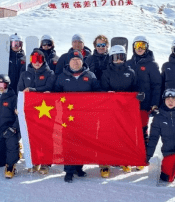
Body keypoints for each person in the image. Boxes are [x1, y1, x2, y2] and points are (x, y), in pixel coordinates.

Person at [55, 50, 100, 183]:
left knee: (82, 142)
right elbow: (55, 95)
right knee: (69, 143)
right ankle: (68, 171)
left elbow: (98, 93)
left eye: (78, 60)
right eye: (73, 60)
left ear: (82, 61)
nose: (75, 62)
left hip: (85, 117)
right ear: (69, 62)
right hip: (67, 116)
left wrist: (109, 95)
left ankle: (78, 167)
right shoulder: (62, 77)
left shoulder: (90, 76)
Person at [99, 44, 142, 177]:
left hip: (126, 109)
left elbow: (135, 88)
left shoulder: (130, 72)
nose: (119, 60)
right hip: (110, 109)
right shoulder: (106, 73)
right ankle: (105, 162)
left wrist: (139, 95)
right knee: (108, 135)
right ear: (111, 58)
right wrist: (107, 93)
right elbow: (101, 89)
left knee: (124, 134)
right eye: (116, 57)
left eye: (121, 57)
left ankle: (125, 160)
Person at [17, 48, 56, 174]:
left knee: (45, 135)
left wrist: (33, 90)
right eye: (34, 59)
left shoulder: (49, 73)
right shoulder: (25, 74)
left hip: (45, 110)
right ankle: (34, 160)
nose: (37, 62)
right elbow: (20, 90)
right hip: (30, 110)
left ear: (43, 60)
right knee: (31, 135)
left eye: (39, 60)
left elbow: (48, 87)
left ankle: (45, 162)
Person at [127, 35, 162, 144]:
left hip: (144, 104)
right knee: (129, 129)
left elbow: (157, 85)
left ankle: (143, 153)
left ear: (147, 47)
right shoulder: (128, 64)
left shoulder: (152, 65)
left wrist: (154, 104)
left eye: (143, 45)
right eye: (137, 45)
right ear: (133, 47)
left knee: (142, 129)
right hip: (129, 104)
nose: (140, 48)